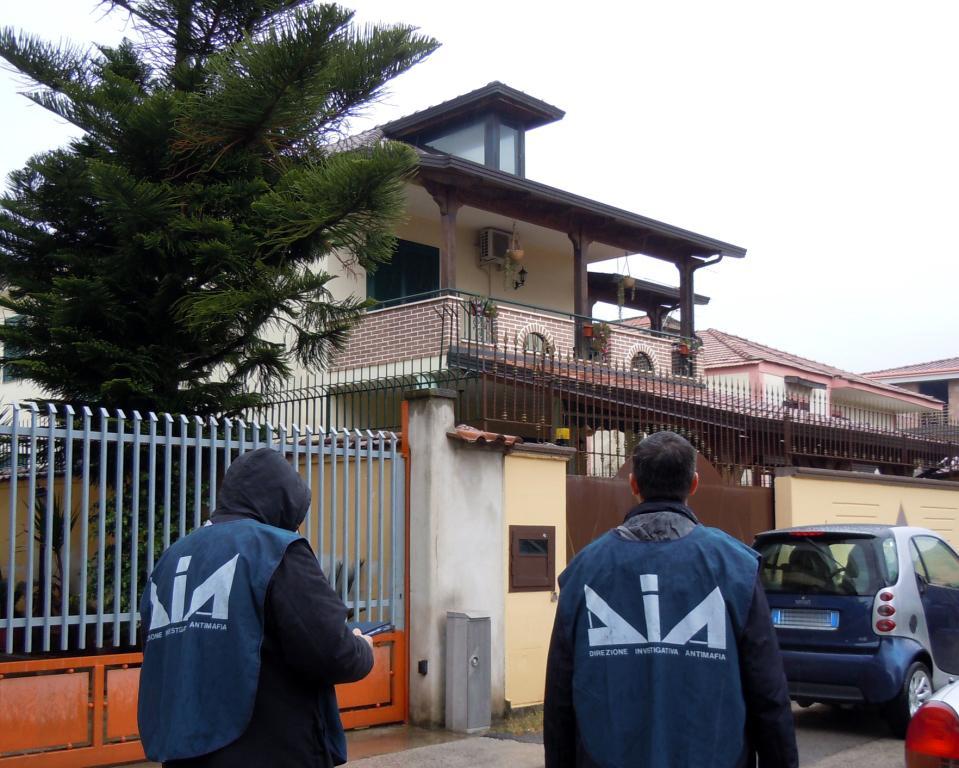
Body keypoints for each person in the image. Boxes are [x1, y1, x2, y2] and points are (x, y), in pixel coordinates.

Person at [544, 431, 798, 768]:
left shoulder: (583, 572)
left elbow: (559, 700)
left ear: (633, 484)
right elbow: (769, 695)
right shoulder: (735, 568)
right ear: (694, 484)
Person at [138, 447, 374, 767]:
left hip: (185, 753)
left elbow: (159, 651)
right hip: (270, 749)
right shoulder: (274, 549)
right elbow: (333, 651)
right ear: (283, 502)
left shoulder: (171, 559)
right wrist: (362, 648)